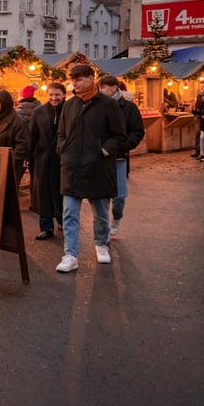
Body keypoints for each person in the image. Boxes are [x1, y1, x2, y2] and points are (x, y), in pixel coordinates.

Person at [55, 64, 126, 272]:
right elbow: (61, 134)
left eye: (78, 79)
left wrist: (104, 151)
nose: (74, 83)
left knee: (101, 213)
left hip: (98, 167)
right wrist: (63, 151)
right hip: (72, 167)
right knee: (69, 214)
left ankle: (101, 244)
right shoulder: (69, 105)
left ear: (90, 78)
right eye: (72, 80)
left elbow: (119, 136)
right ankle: (70, 255)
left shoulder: (108, 105)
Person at [97, 75, 146, 238]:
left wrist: (124, 145)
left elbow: (138, 131)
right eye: (100, 87)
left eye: (104, 87)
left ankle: (116, 219)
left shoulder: (128, 107)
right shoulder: (97, 106)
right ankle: (103, 230)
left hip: (119, 157)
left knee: (119, 197)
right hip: (101, 157)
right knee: (102, 196)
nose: (101, 90)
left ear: (114, 88)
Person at [28, 82, 66, 240]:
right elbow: (32, 135)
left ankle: (63, 221)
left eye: (57, 95)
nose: (54, 98)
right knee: (43, 193)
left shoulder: (70, 110)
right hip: (42, 159)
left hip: (63, 159)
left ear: (64, 95)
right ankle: (46, 227)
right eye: (51, 95)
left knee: (62, 191)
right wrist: (28, 157)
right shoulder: (38, 112)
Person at [0, 89, 30, 190]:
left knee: (8, 195)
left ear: (4, 102)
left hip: (11, 167)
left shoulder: (17, 121)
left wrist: (10, 160)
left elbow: (23, 144)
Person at [190, 80, 204, 158]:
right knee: (198, 133)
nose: (202, 88)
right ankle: (198, 150)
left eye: (203, 86)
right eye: (201, 87)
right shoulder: (199, 95)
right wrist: (194, 110)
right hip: (198, 117)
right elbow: (198, 107)